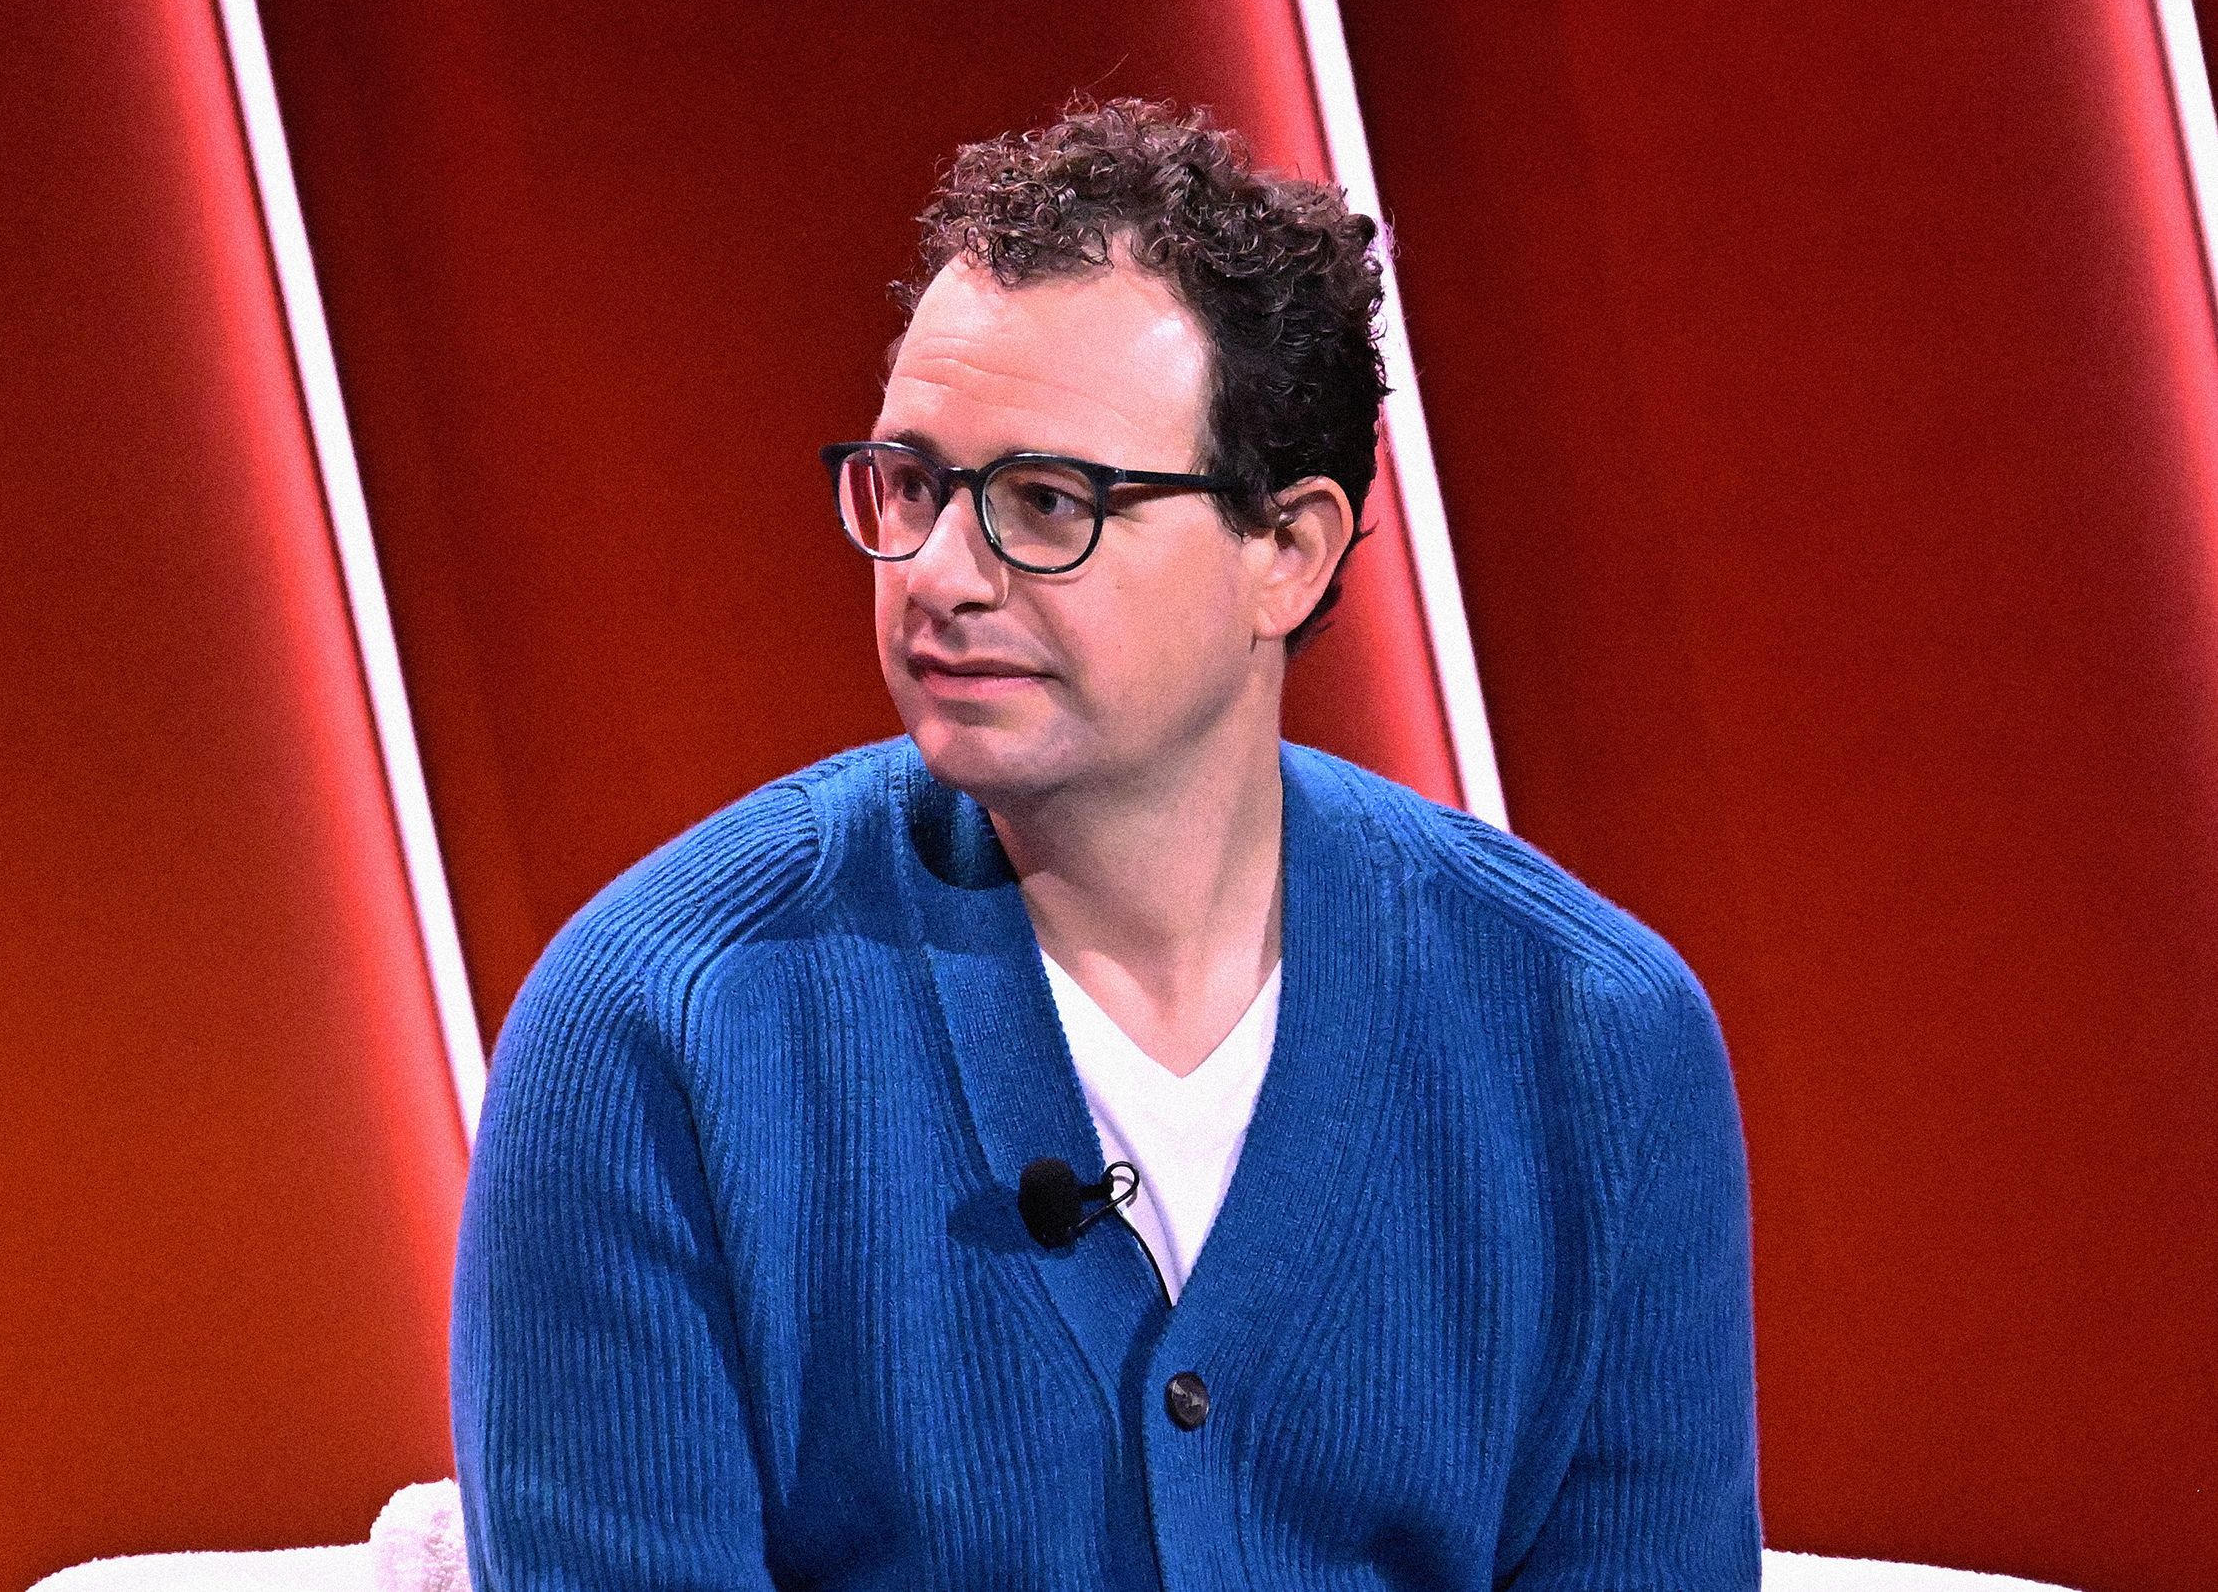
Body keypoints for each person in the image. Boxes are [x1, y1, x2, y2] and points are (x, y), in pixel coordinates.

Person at [450, 96, 1759, 1591]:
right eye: (914, 486)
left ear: (1289, 551)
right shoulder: (658, 1033)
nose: (941, 574)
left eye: (1045, 502)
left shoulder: (1592, 1044)